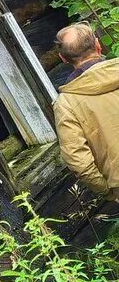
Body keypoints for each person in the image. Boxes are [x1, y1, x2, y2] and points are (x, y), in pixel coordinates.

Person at [54, 22, 119, 200]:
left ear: (63, 58)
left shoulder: (66, 104)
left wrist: (106, 190)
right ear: (98, 45)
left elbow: (77, 160)